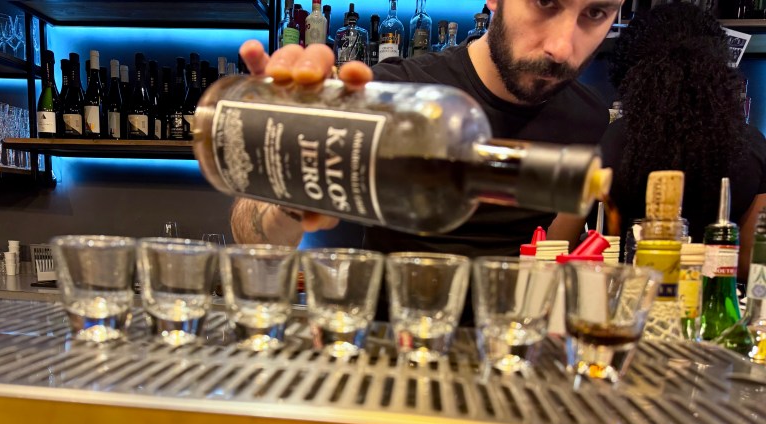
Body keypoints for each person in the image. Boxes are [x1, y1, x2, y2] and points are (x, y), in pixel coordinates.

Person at [230, 0, 623, 256]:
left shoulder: (586, 119)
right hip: (391, 352)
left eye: (596, 13)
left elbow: (553, 251)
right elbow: (251, 234)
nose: (562, 47)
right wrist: (289, 189)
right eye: (546, 3)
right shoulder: (399, 96)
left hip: (505, 352)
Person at [596, 2, 766, 277]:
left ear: (630, 69)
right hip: (715, 301)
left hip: (629, 299)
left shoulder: (613, 138)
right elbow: (750, 263)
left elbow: (562, 244)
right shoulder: (752, 145)